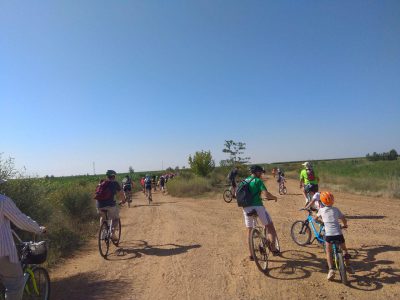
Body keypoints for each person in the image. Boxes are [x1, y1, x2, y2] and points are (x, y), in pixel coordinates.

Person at [0, 179, 46, 300]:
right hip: (2, 252)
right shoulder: (3, 201)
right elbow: (22, 221)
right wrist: (38, 229)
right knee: (15, 283)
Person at [242, 165, 280, 260]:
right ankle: (273, 249)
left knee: (249, 230)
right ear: (257, 172)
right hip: (258, 206)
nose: (262, 174)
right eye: (261, 172)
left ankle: (251, 255)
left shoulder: (244, 181)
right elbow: (266, 195)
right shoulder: (258, 181)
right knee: (270, 226)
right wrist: (274, 197)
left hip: (246, 208)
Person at [314, 191, 353, 280]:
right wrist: (345, 225)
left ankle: (331, 270)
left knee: (328, 251)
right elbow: (343, 219)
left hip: (329, 235)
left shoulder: (321, 210)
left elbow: (315, 219)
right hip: (339, 234)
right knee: (344, 249)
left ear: (322, 202)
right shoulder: (336, 209)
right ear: (333, 201)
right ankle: (348, 266)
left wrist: (321, 222)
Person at [96, 170, 122, 240]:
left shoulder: (101, 183)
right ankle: (112, 233)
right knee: (116, 218)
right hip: (110, 205)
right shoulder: (115, 183)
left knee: (102, 217)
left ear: (107, 176)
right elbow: (121, 193)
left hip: (99, 205)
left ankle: (103, 233)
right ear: (114, 176)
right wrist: (123, 200)